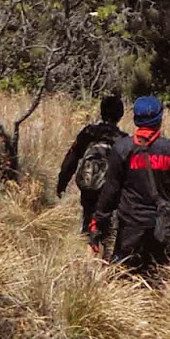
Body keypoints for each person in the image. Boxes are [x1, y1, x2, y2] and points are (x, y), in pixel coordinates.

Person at [91, 95, 170, 277]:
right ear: (160, 119)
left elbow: (111, 190)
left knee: (125, 277)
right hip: (162, 227)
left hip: (130, 226)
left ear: (136, 119)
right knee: (159, 278)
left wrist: (98, 222)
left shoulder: (122, 148)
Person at [55, 94, 127, 238]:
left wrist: (62, 183)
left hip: (89, 184)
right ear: (120, 115)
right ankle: (103, 249)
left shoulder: (88, 133)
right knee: (108, 223)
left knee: (88, 217)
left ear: (101, 111)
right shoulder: (123, 139)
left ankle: (86, 245)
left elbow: (72, 159)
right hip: (110, 190)